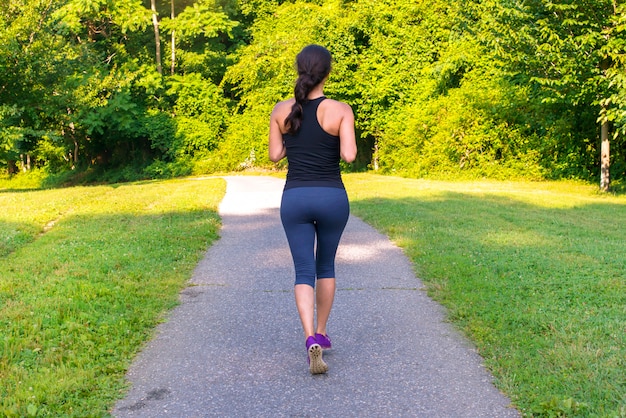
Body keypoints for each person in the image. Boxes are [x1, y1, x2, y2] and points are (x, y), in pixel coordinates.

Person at [269, 44, 357, 374]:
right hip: (332, 196)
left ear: (299, 70)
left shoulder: (281, 109)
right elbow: (349, 155)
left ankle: (310, 339)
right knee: (326, 266)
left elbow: (275, 155)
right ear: (327, 72)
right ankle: (322, 331)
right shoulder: (340, 109)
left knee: (303, 270)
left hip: (296, 198)